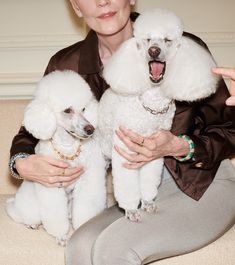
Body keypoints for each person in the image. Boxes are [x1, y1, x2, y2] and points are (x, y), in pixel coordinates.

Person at [9, 1, 235, 265]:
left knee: (111, 250)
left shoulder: (178, 46)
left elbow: (230, 130)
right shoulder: (67, 62)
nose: (102, 1)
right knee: (79, 246)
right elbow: (31, 132)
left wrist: (180, 146)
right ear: (76, 7)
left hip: (200, 184)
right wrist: (21, 163)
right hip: (131, 190)